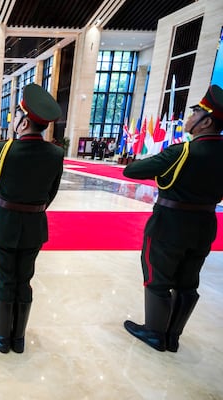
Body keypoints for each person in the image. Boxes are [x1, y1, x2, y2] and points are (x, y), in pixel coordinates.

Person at [122, 84, 223, 352]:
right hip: (204, 226)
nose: (189, 119)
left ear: (206, 121)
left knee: (159, 277)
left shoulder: (183, 152)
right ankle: (173, 336)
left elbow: (132, 171)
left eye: (195, 113)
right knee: (188, 280)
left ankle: (155, 333)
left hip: (170, 224)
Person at [0, 83, 63, 354]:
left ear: (23, 120)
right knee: (24, 279)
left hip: (5, 225)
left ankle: (1, 337)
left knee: (4, 279)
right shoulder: (56, 153)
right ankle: (18, 339)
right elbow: (51, 194)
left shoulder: (6, 149)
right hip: (35, 226)